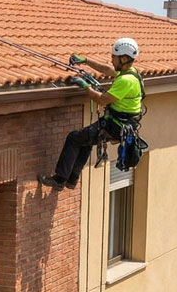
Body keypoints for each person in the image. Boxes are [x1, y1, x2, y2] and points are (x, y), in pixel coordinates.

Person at [38, 38, 144, 190]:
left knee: (74, 138)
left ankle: (59, 180)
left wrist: (86, 87)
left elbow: (102, 100)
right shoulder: (132, 73)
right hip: (121, 125)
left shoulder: (126, 81)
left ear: (124, 58)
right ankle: (72, 179)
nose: (111, 59)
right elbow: (107, 69)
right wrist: (86, 61)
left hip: (115, 125)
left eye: (114, 57)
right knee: (85, 140)